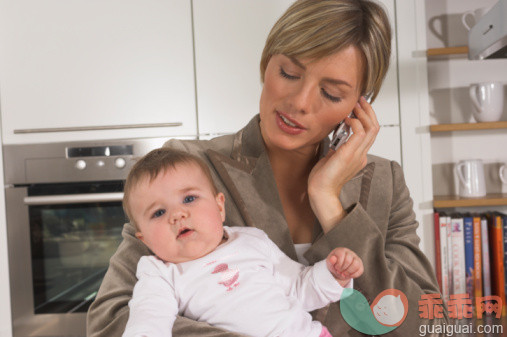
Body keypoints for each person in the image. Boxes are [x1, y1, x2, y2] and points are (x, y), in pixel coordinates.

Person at [88, 0, 447, 336]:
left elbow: (422, 324)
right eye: (289, 73)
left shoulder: (385, 182)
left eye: (332, 94)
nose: (299, 102)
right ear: (266, 63)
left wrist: (331, 204)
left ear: (358, 105)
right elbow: (113, 319)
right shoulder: (184, 172)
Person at [121, 148, 364, 337]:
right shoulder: (161, 273)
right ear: (144, 239)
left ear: (219, 206)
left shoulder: (250, 240)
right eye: (158, 213)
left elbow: (299, 287)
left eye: (189, 198)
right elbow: (149, 315)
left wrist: (333, 275)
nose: (177, 214)